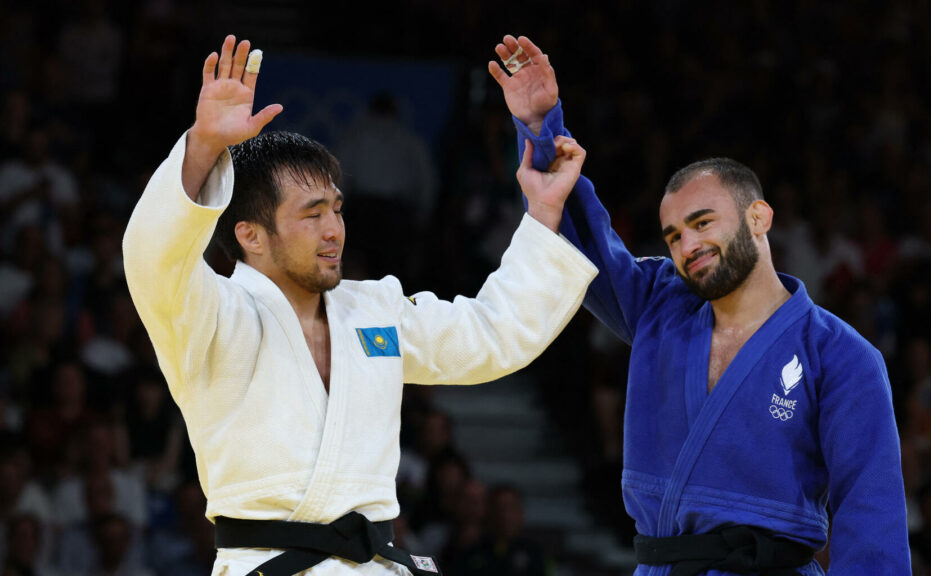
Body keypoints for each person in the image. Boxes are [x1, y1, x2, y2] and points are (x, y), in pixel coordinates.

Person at [123, 35, 597, 576]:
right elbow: (152, 259)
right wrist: (203, 148)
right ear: (251, 235)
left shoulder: (374, 309)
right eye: (312, 214)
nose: (334, 231)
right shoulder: (210, 316)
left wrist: (541, 209)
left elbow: (494, 333)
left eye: (337, 210)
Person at [488, 35, 910, 575]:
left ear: (759, 218)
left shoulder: (842, 356)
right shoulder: (658, 304)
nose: (688, 247)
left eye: (703, 222)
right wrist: (543, 126)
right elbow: (585, 239)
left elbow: (870, 518)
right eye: (672, 236)